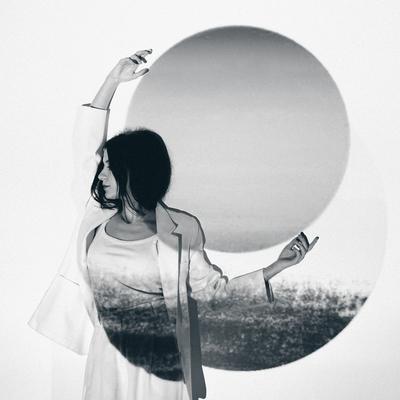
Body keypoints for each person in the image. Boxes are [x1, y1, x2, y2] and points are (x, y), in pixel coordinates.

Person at [28, 49, 319, 400]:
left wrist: (276, 267)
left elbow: (212, 293)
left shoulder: (181, 229)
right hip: (107, 360)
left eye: (109, 167)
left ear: (134, 172)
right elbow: (84, 151)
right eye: (101, 166)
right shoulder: (94, 217)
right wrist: (112, 81)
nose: (101, 174)